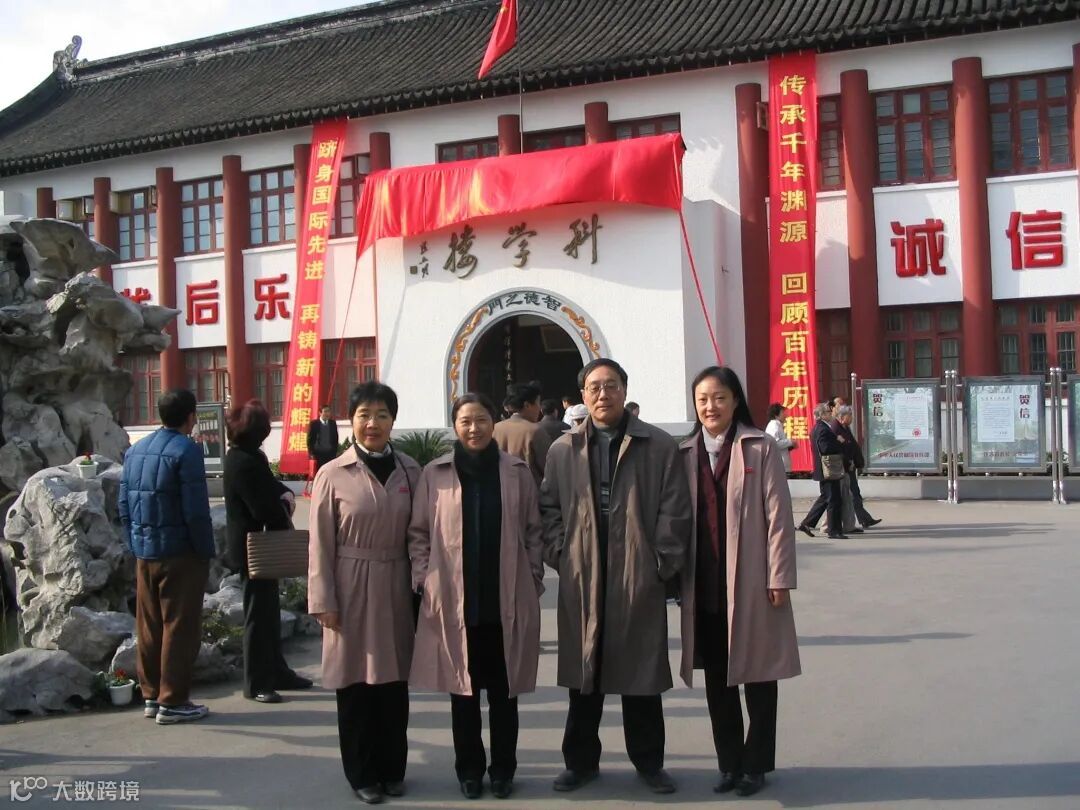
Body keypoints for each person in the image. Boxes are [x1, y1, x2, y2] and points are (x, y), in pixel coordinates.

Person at [539, 358, 691, 795]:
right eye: (594, 387)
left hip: (636, 573)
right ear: (582, 396)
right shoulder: (563, 449)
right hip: (582, 573)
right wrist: (562, 554)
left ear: (625, 390)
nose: (602, 394)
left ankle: (649, 763)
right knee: (583, 676)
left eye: (611, 386)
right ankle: (580, 763)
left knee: (641, 678)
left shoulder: (658, 445)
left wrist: (660, 562)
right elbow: (548, 508)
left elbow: (675, 509)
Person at [409, 392, 544, 801]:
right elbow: (418, 533)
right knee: (463, 693)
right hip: (456, 600)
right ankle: (469, 770)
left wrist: (533, 575)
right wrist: (423, 578)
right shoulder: (435, 474)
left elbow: (533, 530)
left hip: (505, 598)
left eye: (481, 419)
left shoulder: (516, 472)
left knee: (504, 693)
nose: (474, 428)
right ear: (455, 425)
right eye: (465, 421)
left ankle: (503, 770)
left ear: (493, 422)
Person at [678, 367, 800, 798]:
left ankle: (756, 764)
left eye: (719, 398)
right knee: (718, 680)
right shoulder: (685, 452)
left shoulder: (759, 447)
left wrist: (779, 575)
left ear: (735, 401)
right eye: (702, 399)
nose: (710, 407)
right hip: (705, 584)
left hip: (752, 581)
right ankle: (729, 763)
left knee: (759, 676)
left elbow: (779, 517)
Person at [309, 382, 422, 805]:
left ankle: (393, 769)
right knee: (355, 683)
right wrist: (323, 600)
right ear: (351, 421)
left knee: (393, 683)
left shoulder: (410, 471)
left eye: (382, 415)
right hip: (350, 584)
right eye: (364, 415)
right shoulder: (333, 473)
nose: (372, 423)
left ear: (393, 421)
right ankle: (361, 773)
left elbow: (422, 533)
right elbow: (320, 544)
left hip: (396, 585)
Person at [119, 389, 214, 725]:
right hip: (179, 552)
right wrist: (205, 550)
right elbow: (196, 511)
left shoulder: (136, 450)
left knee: (148, 625)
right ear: (191, 417)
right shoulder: (186, 450)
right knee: (179, 626)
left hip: (145, 552)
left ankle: (151, 694)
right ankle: (172, 700)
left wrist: (134, 542)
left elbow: (123, 504)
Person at [222, 399, 310, 705]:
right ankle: (257, 681)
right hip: (254, 548)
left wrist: (282, 493)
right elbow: (263, 509)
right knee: (258, 617)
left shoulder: (246, 456)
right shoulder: (244, 462)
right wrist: (283, 504)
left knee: (269, 612)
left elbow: (269, 486)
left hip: (258, 546)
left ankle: (277, 671)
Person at [798, 403, 847, 539]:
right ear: (822, 415)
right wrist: (838, 442)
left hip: (823, 469)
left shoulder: (819, 428)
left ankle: (806, 523)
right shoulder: (823, 429)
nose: (831, 414)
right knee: (834, 500)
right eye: (828, 412)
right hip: (828, 469)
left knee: (825, 498)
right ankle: (833, 531)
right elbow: (825, 448)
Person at [492, 382, 551, 485]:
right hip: (529, 490)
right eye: (538, 403)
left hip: (501, 489)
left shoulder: (495, 428)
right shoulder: (535, 431)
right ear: (527, 405)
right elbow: (549, 468)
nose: (540, 409)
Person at [835, 405, 881, 529]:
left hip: (850, 465)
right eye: (849, 415)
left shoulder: (845, 428)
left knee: (855, 494)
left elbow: (852, 446)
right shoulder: (836, 428)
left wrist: (857, 460)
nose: (852, 418)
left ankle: (865, 519)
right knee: (846, 496)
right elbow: (840, 449)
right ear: (842, 417)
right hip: (844, 467)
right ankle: (811, 522)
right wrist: (848, 462)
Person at [307, 405, 340, 474]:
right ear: (320, 413)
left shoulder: (332, 423)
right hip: (318, 454)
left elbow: (335, 438)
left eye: (328, 411)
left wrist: (335, 451)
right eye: (325, 411)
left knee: (330, 473)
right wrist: (311, 453)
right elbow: (309, 440)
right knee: (320, 473)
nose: (327, 413)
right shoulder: (314, 424)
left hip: (330, 454)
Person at [764, 403, 795, 473]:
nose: (785, 415)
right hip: (778, 465)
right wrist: (790, 442)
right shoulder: (774, 425)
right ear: (776, 415)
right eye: (783, 413)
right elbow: (775, 443)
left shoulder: (777, 425)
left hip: (780, 465)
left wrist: (791, 445)